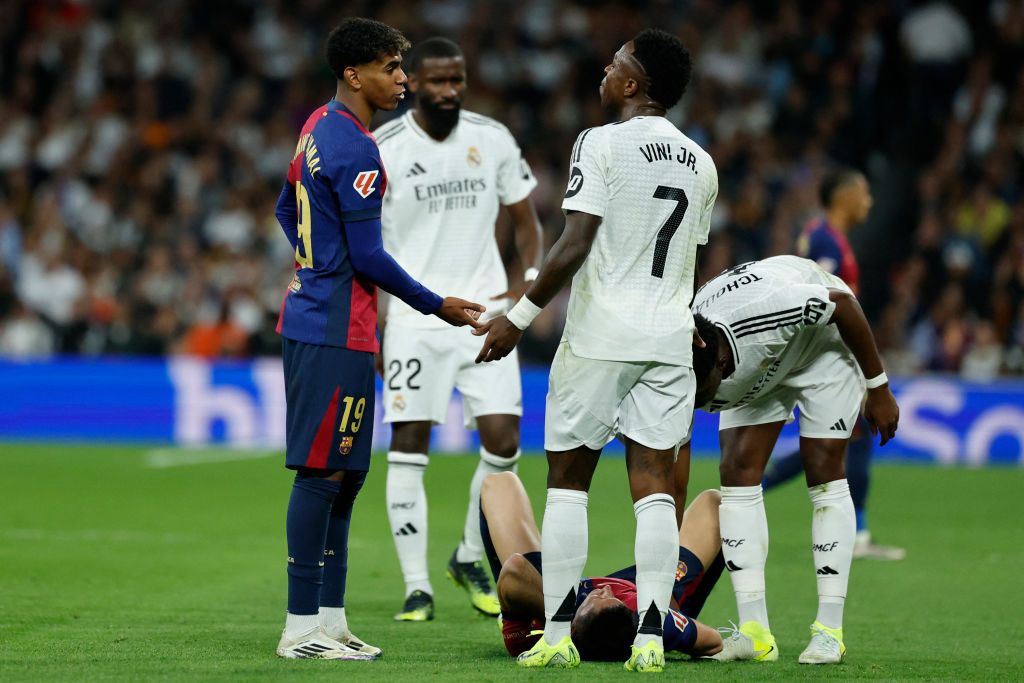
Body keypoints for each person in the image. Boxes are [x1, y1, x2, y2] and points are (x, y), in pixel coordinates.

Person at [475, 29, 718, 672]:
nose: (604, 72)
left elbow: (575, 241)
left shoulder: (601, 142)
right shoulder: (703, 161)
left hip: (601, 336)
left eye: (616, 65)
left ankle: (556, 635)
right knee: (656, 490)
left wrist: (519, 319)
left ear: (634, 85)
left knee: (567, 485)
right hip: (667, 338)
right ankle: (647, 642)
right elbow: (688, 258)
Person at [271, 18, 484, 660]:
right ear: (353, 73)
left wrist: (312, 262)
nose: (402, 79)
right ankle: (298, 627)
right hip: (334, 329)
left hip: (337, 324)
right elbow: (368, 255)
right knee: (321, 474)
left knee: (347, 476)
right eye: (392, 68)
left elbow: (287, 208)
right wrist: (436, 305)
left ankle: (330, 622)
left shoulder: (318, 128)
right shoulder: (358, 149)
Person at [373, 37, 543, 622]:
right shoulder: (384, 147)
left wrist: (525, 288)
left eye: (458, 80)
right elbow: (369, 247)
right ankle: (416, 586)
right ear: (412, 82)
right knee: (408, 448)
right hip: (416, 320)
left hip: (486, 315)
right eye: (438, 81)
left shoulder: (491, 138)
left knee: (504, 444)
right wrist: (378, 321)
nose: (450, 91)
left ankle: (469, 555)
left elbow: (527, 221)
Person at [685, 255, 900, 665]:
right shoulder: (689, 338)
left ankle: (829, 632)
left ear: (722, 364)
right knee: (735, 472)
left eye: (706, 392)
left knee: (822, 469)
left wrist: (879, 388)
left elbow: (843, 304)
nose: (702, 404)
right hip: (763, 362)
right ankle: (755, 634)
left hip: (822, 347)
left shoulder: (772, 307)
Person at [762, 169, 906, 561]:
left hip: (832, 355)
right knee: (844, 438)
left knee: (850, 438)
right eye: (864, 193)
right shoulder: (825, 239)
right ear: (843, 196)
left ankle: (857, 531)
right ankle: (750, 488)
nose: (869, 201)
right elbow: (816, 295)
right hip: (827, 356)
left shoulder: (827, 235)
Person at [479, 472, 725, 661]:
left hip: (554, 597)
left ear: (572, 627)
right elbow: (713, 641)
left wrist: (530, 613)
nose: (605, 589)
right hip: (645, 589)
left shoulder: (558, 616)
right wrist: (665, 628)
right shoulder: (650, 621)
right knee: (717, 505)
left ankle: (522, 608)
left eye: (596, 599)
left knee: (499, 484)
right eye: (611, 598)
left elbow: (513, 570)